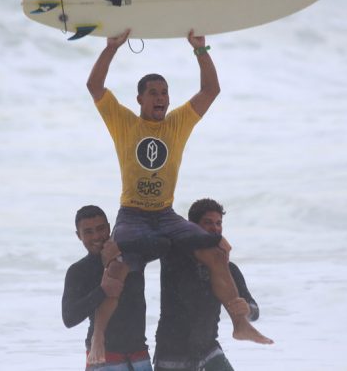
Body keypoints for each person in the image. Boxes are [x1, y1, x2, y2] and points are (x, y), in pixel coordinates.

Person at [85, 29, 273, 364]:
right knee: (116, 266)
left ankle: (241, 324)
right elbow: (94, 87)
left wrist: (201, 49)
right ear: (140, 98)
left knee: (216, 252)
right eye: (153, 93)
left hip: (166, 214)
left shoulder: (177, 124)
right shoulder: (124, 122)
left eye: (165, 93)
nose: (161, 98)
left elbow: (211, 90)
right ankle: (98, 339)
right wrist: (111, 48)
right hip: (132, 214)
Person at [155, 198, 262, 371]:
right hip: (172, 356)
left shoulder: (229, 269)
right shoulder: (174, 258)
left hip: (208, 351)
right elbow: (166, 231)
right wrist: (210, 241)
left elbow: (254, 312)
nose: (215, 228)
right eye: (208, 223)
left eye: (219, 223)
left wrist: (247, 309)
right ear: (193, 226)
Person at [62, 205, 159, 371]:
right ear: (79, 236)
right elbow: (69, 318)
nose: (96, 236)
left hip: (139, 354)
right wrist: (101, 291)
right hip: (103, 357)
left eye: (100, 229)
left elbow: (164, 244)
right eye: (88, 232)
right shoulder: (78, 271)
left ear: (109, 227)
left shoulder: (132, 257)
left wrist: (123, 247)